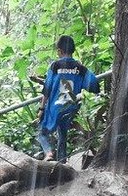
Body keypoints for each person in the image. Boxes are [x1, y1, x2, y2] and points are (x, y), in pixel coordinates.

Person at [37, 35, 100, 164]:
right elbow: (94, 85)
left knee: (42, 133)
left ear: (59, 51)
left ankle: (48, 153)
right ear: (72, 50)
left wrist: (41, 108)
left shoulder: (55, 66)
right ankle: (62, 163)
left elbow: (46, 90)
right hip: (70, 107)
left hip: (54, 108)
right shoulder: (80, 68)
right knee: (62, 135)